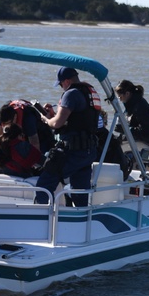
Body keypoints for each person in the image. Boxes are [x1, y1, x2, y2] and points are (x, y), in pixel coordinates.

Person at [38, 67, 100, 205]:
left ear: (66, 81)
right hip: (88, 151)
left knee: (45, 183)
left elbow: (57, 124)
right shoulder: (88, 92)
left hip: (73, 152)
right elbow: (76, 121)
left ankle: (41, 216)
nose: (61, 88)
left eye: (60, 84)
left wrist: (45, 119)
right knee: (79, 191)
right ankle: (81, 219)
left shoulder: (71, 94)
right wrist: (53, 115)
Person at [114, 79, 149, 154]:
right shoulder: (129, 108)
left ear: (127, 94)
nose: (120, 100)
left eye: (120, 97)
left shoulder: (141, 107)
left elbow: (147, 132)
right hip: (135, 147)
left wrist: (125, 129)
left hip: (148, 149)